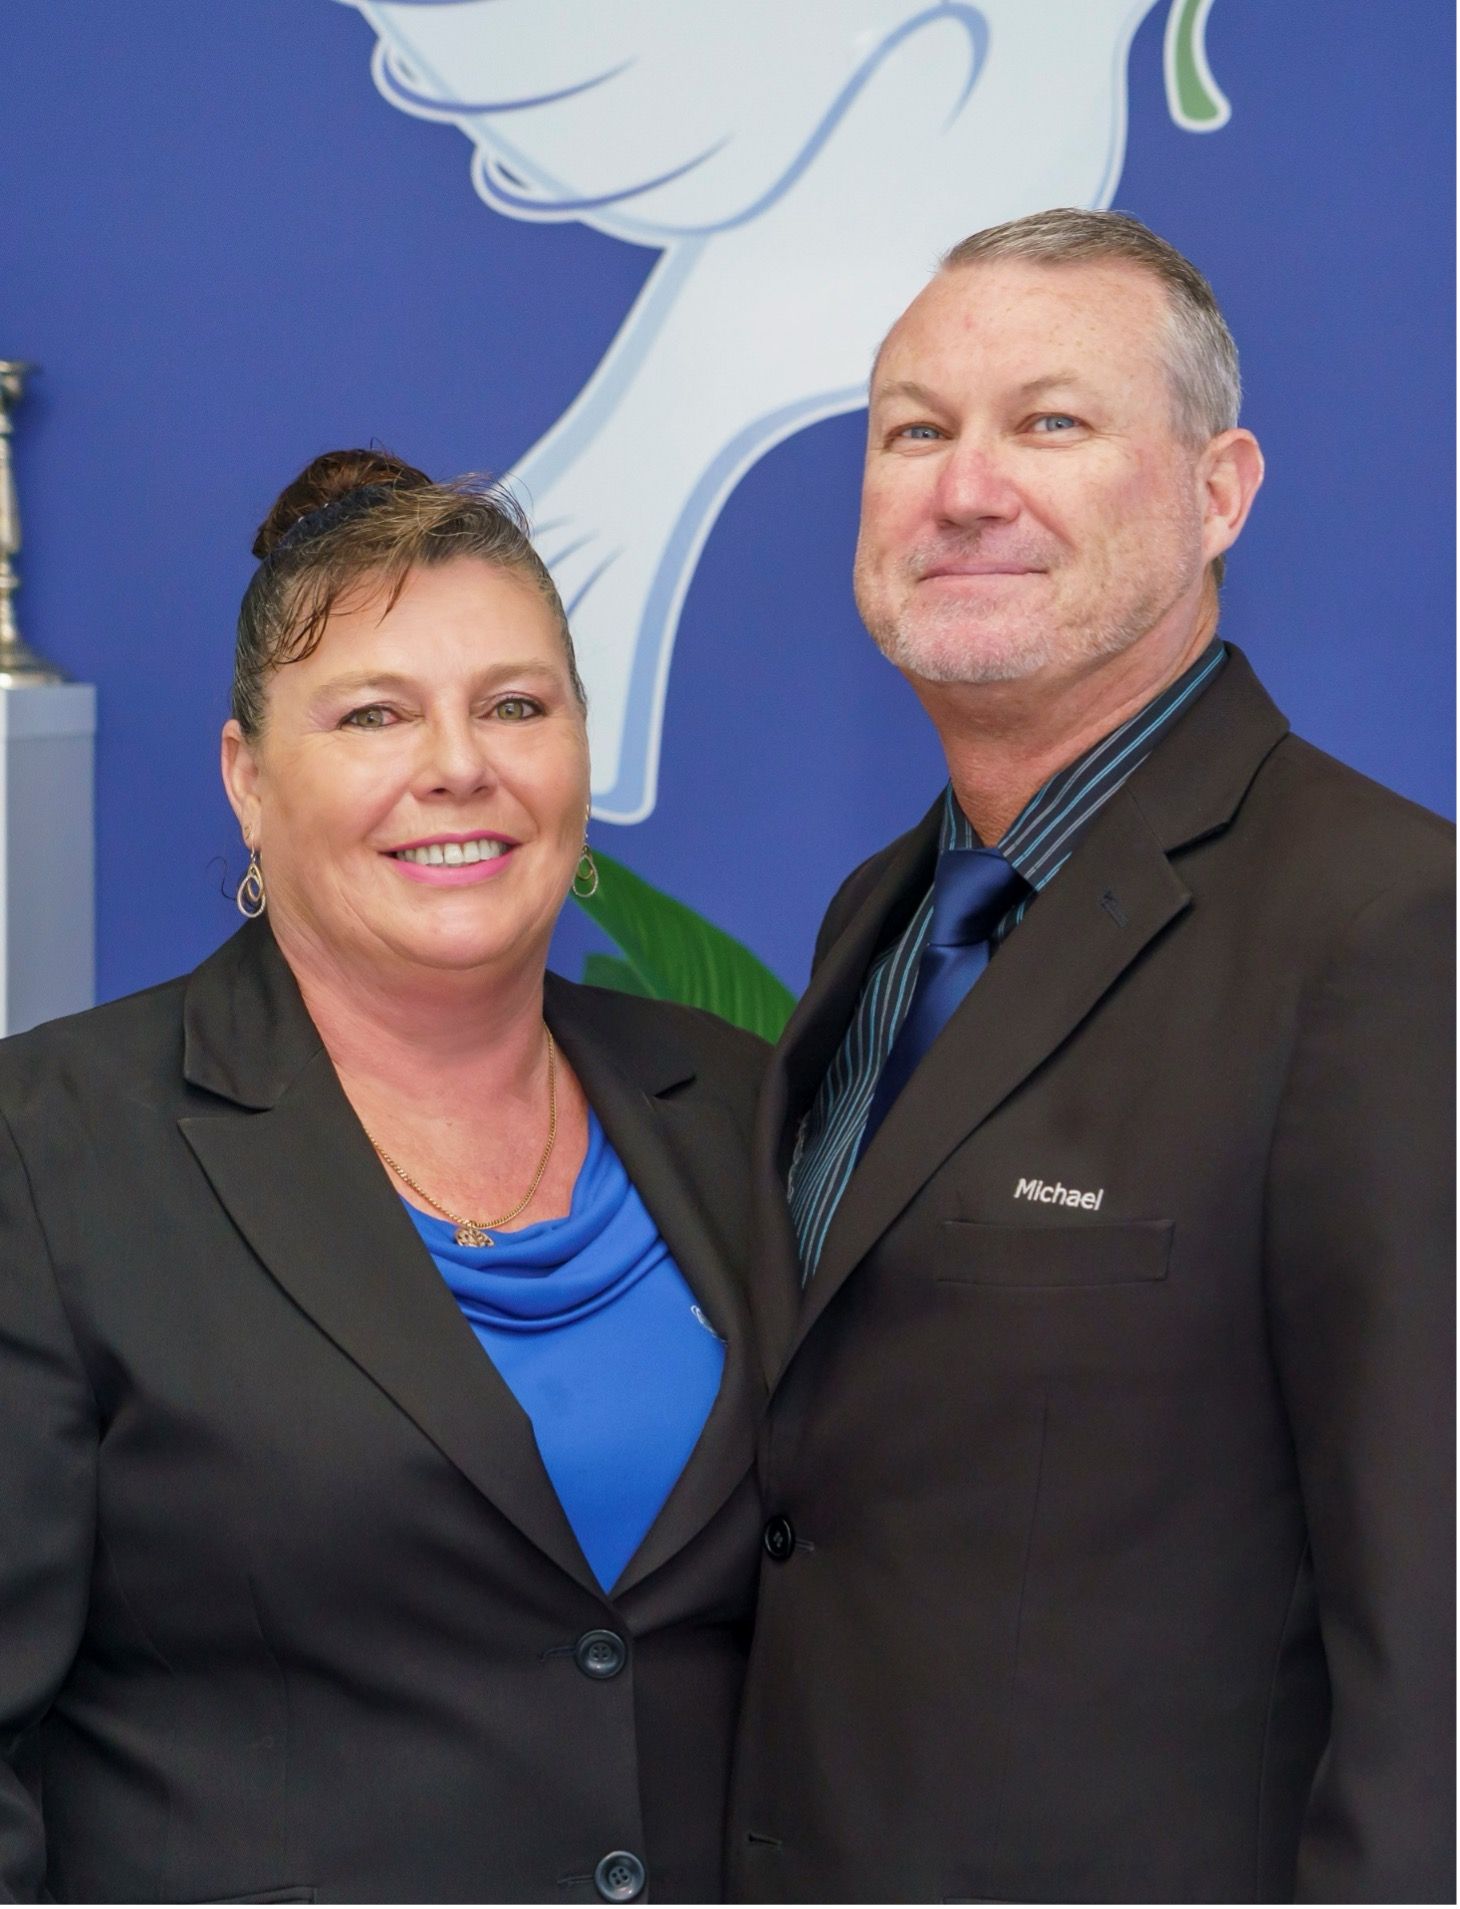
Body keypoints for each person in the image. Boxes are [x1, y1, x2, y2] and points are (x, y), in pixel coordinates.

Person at [729, 210, 1453, 1903]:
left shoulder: (1393, 931)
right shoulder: (878, 917)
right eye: (916, 429)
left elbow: (1441, 1646)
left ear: (1220, 490)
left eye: (1050, 423)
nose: (964, 487)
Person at [0, 450, 767, 1904]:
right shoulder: (46, 1153)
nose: (459, 766)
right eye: (374, 714)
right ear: (247, 776)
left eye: (515, 705)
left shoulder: (729, 1105)